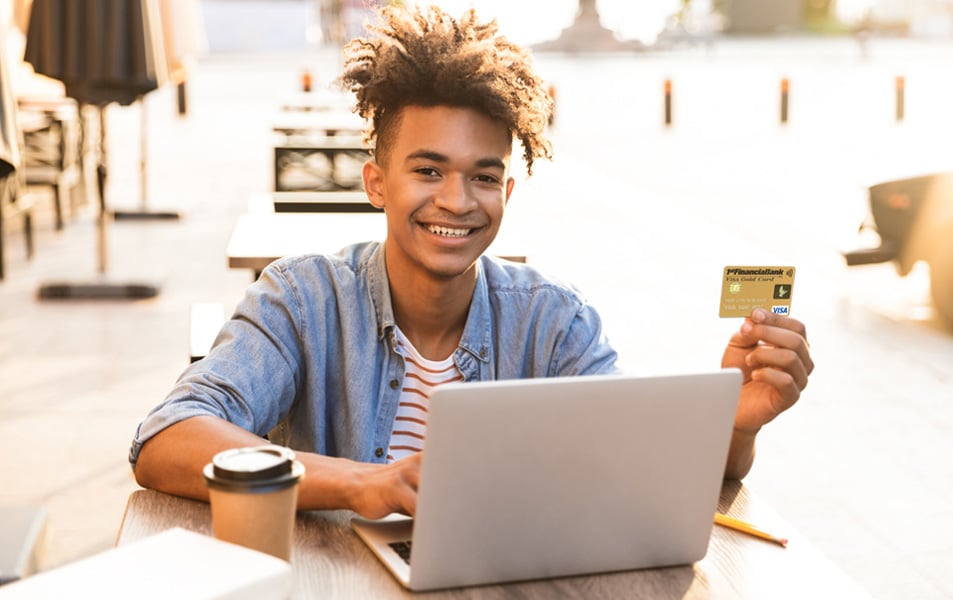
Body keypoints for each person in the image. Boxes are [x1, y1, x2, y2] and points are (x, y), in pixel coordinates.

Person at [130, 4, 814, 520]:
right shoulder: (303, 298)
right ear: (376, 182)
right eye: (428, 169)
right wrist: (362, 483)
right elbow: (166, 438)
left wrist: (736, 423)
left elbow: (644, 473)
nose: (456, 201)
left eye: (484, 177)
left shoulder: (550, 319)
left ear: (506, 193)